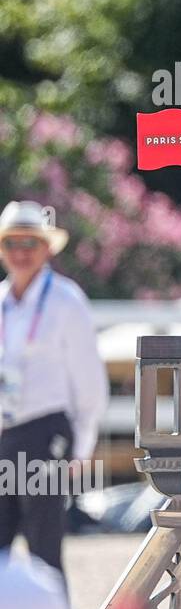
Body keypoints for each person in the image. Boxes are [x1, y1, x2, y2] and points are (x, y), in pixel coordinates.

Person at [0, 200, 108, 581]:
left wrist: (81, 447)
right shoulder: (0, 302)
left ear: (46, 248)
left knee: (44, 545)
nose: (20, 253)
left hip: (46, 432)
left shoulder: (65, 301)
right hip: (5, 433)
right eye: (12, 243)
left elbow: (89, 379)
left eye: (30, 243)